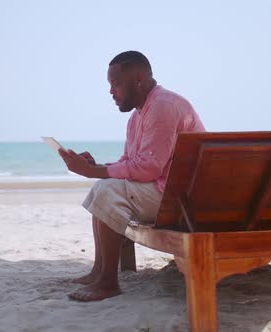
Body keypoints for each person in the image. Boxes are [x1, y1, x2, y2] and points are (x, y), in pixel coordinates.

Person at [59, 50, 205, 301]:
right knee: (103, 187)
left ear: (138, 79)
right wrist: (98, 167)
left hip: (182, 199)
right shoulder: (138, 115)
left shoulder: (163, 106)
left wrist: (96, 172)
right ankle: (99, 272)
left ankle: (107, 283)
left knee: (107, 190)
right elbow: (131, 162)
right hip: (167, 191)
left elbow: (149, 168)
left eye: (116, 83)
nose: (111, 92)